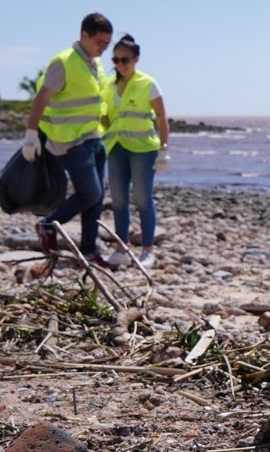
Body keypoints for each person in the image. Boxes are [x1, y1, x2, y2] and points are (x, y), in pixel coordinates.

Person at [25, 13, 113, 268]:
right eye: (100, 42)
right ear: (84, 35)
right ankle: (48, 225)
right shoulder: (63, 62)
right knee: (90, 193)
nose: (103, 49)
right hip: (69, 141)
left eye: (107, 44)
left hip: (93, 138)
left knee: (96, 199)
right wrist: (31, 135)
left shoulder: (93, 62)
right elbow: (41, 98)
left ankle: (88, 251)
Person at [101, 33, 169, 270]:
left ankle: (147, 250)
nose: (120, 65)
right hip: (115, 148)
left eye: (125, 60)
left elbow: (161, 117)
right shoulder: (108, 85)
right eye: (116, 60)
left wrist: (164, 149)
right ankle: (121, 248)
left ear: (136, 59)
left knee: (142, 199)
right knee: (118, 201)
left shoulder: (148, 83)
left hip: (143, 150)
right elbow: (104, 117)